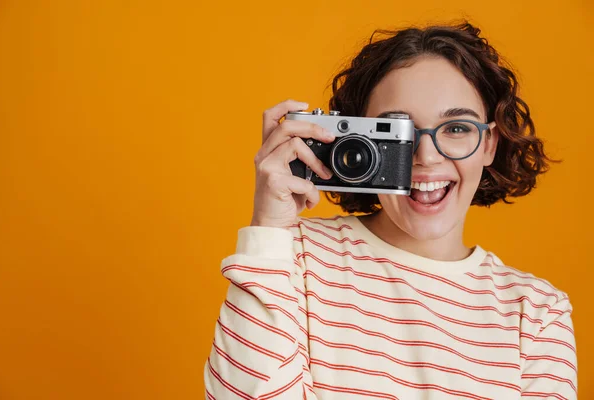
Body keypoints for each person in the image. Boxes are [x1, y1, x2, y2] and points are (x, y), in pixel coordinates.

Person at [204, 21, 577, 399]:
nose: (426, 156)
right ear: (360, 138)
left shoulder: (537, 314)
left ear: (489, 144)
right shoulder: (289, 256)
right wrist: (267, 228)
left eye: (457, 128)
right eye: (399, 131)